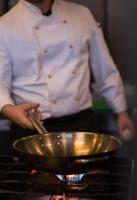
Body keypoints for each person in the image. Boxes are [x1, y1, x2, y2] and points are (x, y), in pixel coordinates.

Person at [0, 0, 134, 150]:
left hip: (82, 128)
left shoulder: (82, 14)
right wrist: (8, 110)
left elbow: (104, 68)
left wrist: (121, 112)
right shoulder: (4, 25)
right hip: (32, 130)